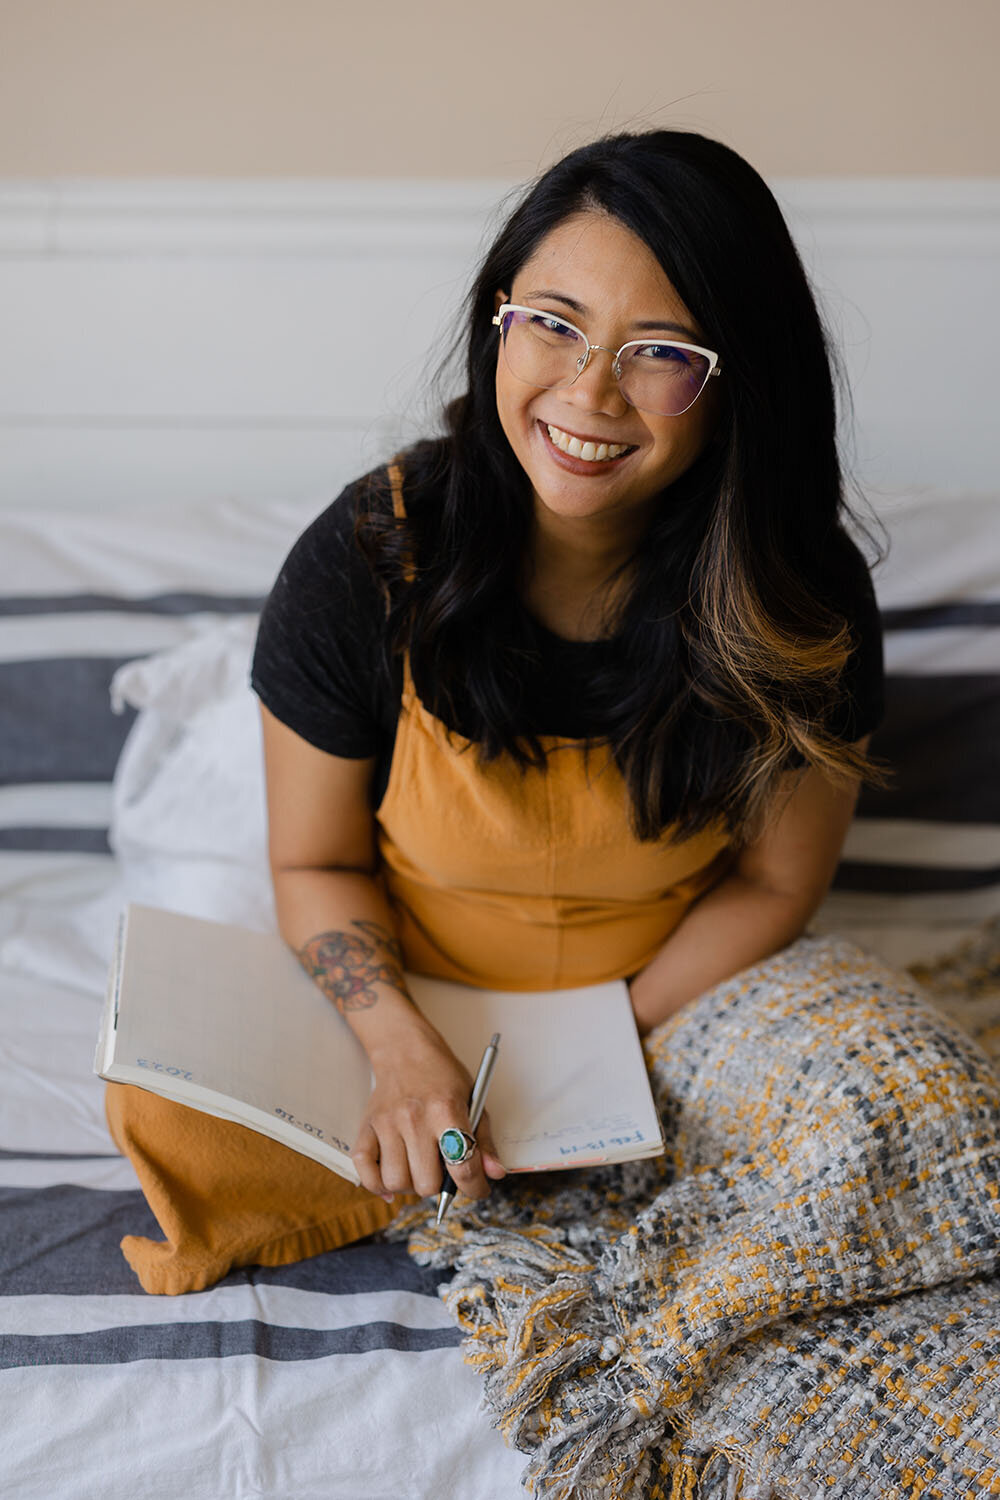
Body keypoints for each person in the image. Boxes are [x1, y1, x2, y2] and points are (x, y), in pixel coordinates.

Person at [106, 129, 883, 1293]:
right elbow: (313, 861)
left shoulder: (800, 594)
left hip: (673, 1003)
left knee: (897, 1113)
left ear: (734, 387)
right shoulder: (370, 554)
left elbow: (775, 885)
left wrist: (604, 1042)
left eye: (658, 351)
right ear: (498, 318)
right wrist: (402, 1050)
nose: (587, 392)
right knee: (164, 1113)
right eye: (553, 323)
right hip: (398, 1006)